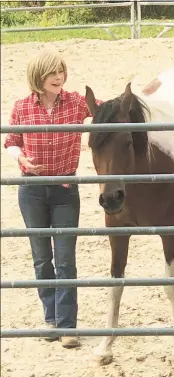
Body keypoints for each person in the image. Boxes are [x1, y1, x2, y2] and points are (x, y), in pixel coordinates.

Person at [4, 49, 102, 348]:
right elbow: (10, 142)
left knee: (65, 258)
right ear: (39, 77)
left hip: (64, 190)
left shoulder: (74, 102)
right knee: (41, 258)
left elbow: (105, 109)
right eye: (52, 72)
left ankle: (67, 325)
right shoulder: (22, 107)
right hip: (31, 189)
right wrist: (22, 160)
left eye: (61, 71)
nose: (58, 76)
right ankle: (50, 317)